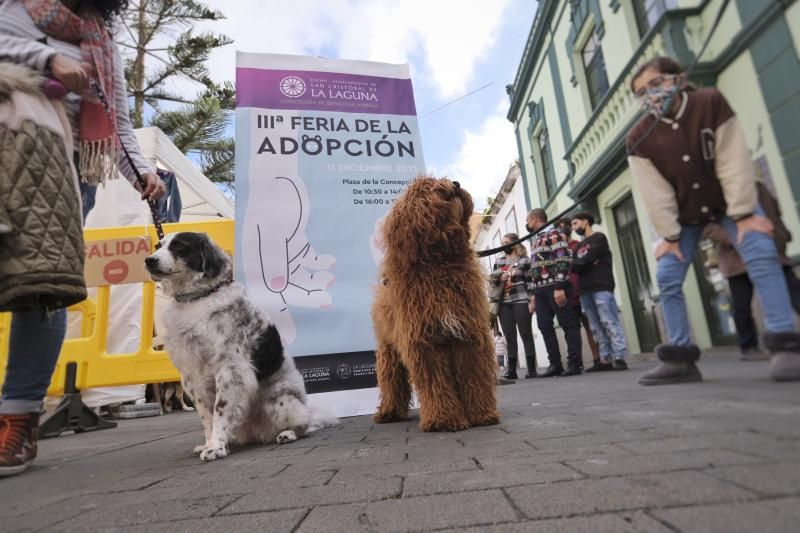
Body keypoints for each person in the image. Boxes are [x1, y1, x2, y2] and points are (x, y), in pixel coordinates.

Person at [0, 0, 165, 477]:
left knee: (46, 287)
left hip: (65, 172)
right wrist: (46, 60)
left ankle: (18, 419)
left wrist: (142, 175)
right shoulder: (19, 10)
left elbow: (116, 122)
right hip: (10, 148)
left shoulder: (101, 40)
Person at [627, 55, 800, 385]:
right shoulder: (639, 137)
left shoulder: (710, 102)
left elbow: (733, 160)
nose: (650, 95)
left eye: (655, 84)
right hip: (686, 216)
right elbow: (655, 192)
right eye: (641, 92)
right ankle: (680, 360)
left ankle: (786, 345)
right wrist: (670, 235)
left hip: (728, 206)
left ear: (676, 79)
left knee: (761, 250)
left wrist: (745, 213)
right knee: (667, 273)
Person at [702, 182, 800, 360]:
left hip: (770, 251)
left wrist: (782, 234)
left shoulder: (758, 186)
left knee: (795, 291)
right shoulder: (712, 192)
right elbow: (707, 228)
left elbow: (774, 212)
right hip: (736, 259)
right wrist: (731, 238)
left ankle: (786, 343)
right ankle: (749, 347)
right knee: (742, 306)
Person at [526, 209, 583, 377]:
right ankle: (555, 364)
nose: (527, 225)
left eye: (528, 221)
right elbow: (536, 268)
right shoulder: (537, 239)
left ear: (535, 220)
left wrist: (559, 286)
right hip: (541, 291)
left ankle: (574, 363)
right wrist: (534, 294)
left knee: (568, 323)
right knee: (544, 325)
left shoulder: (554, 234)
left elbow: (563, 259)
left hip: (555, 288)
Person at [570, 212, 629, 370]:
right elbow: (574, 266)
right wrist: (587, 262)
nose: (573, 228)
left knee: (610, 321)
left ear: (585, 222)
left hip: (602, 286)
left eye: (575, 223)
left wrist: (584, 262)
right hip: (585, 290)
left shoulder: (599, 238)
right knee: (595, 327)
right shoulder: (578, 247)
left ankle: (619, 357)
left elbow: (589, 258)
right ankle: (605, 359)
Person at [555, 217, 602, 371]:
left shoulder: (579, 245)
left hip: (582, 293)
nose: (562, 229)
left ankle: (598, 359)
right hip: (567, 296)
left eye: (565, 226)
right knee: (571, 331)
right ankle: (576, 362)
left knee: (591, 327)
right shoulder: (556, 251)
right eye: (559, 227)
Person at [489, 234, 537, 380]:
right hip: (504, 303)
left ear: (515, 243)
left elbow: (531, 281)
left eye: (507, 243)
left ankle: (531, 369)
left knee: (526, 333)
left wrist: (531, 300)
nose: (504, 246)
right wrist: (499, 277)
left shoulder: (524, 260)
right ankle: (512, 369)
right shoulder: (499, 260)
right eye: (502, 243)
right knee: (509, 336)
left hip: (521, 300)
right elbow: (492, 281)